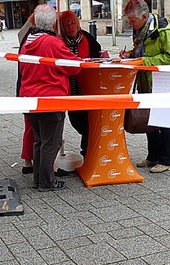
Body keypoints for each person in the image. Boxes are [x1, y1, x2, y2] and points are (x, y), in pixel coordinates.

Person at [19, 4, 81, 191]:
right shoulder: (52, 43)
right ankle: (47, 182)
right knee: (50, 143)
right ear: (54, 23)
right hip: (51, 99)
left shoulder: (28, 40)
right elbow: (74, 66)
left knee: (39, 141)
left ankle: (39, 179)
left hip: (30, 99)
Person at [120, 0, 170, 174]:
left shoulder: (162, 30)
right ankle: (153, 156)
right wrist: (130, 54)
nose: (131, 24)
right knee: (149, 119)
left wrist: (145, 62)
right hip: (146, 80)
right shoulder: (140, 28)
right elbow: (139, 50)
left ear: (144, 17)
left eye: (132, 21)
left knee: (164, 121)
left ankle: (166, 160)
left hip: (162, 82)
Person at [58, 10, 102, 157]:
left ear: (77, 24)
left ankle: (88, 152)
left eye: (72, 23)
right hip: (69, 89)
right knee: (77, 122)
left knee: (88, 124)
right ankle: (88, 151)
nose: (70, 27)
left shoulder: (87, 38)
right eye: (66, 25)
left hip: (87, 88)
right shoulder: (59, 42)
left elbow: (97, 55)